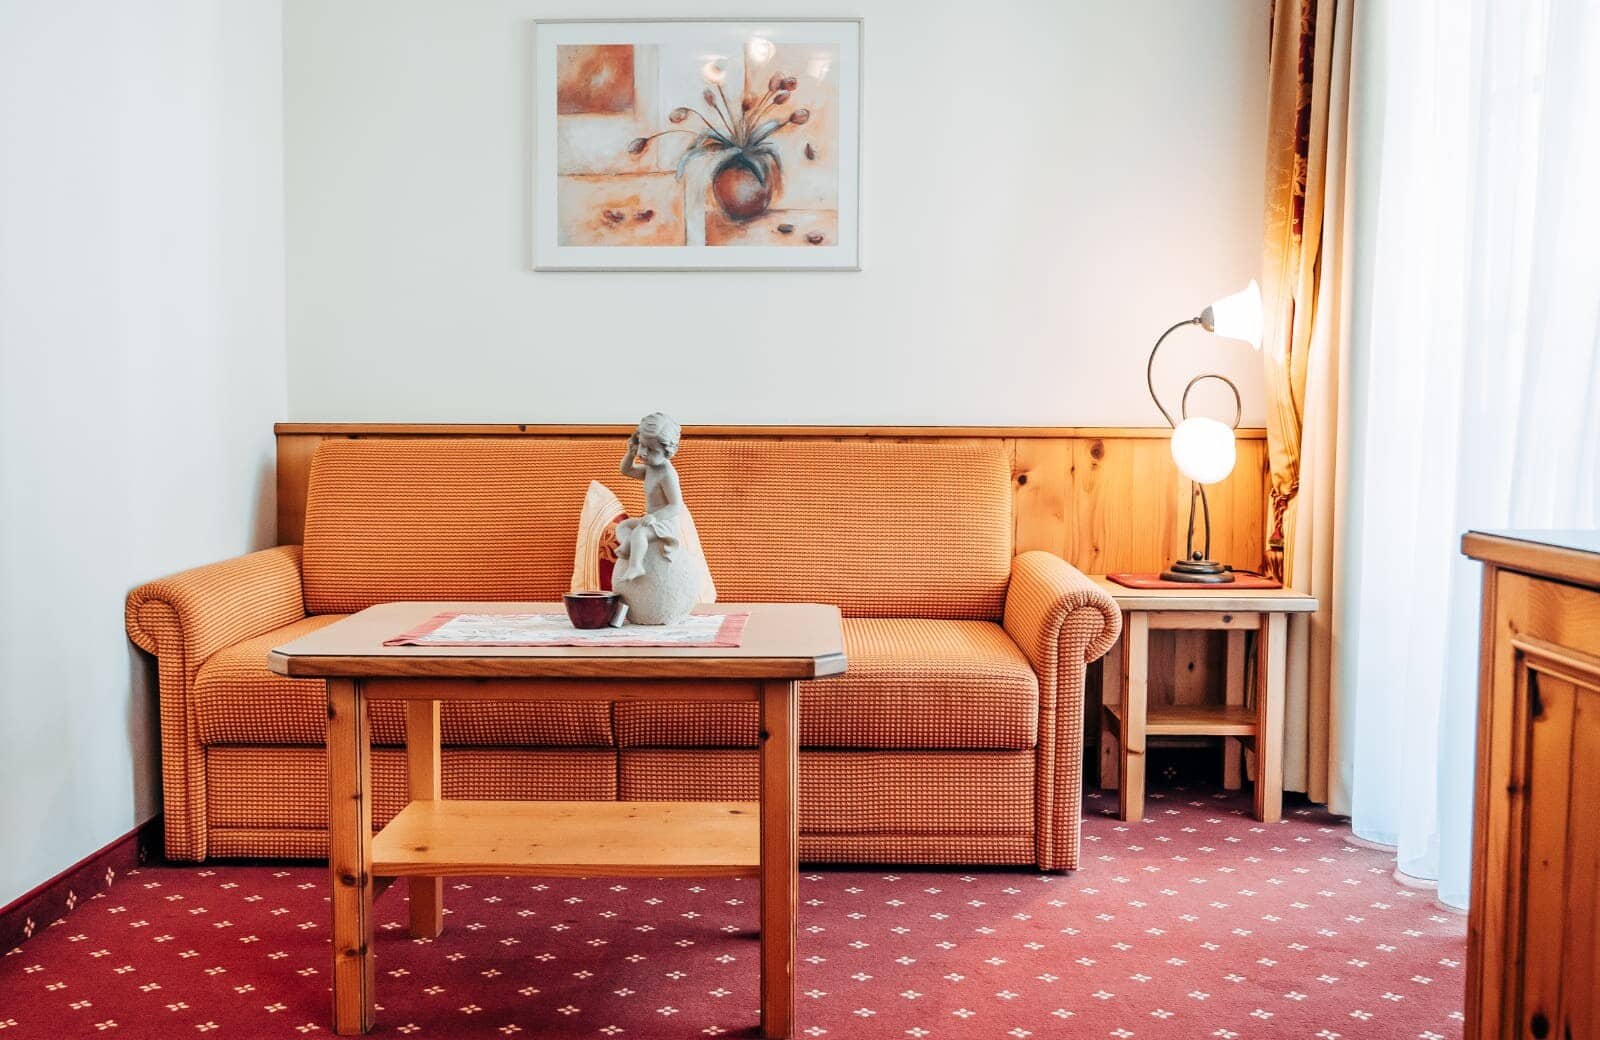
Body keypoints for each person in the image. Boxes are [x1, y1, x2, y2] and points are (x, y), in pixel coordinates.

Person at [614, 412, 684, 582]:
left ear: (668, 452)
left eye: (651, 450)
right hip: (651, 520)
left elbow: (676, 505)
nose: (643, 453)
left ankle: (636, 566)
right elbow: (627, 470)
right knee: (624, 525)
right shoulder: (651, 468)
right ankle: (630, 545)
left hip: (665, 521)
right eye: (642, 445)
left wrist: (655, 517)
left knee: (639, 532)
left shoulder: (667, 474)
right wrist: (630, 453)